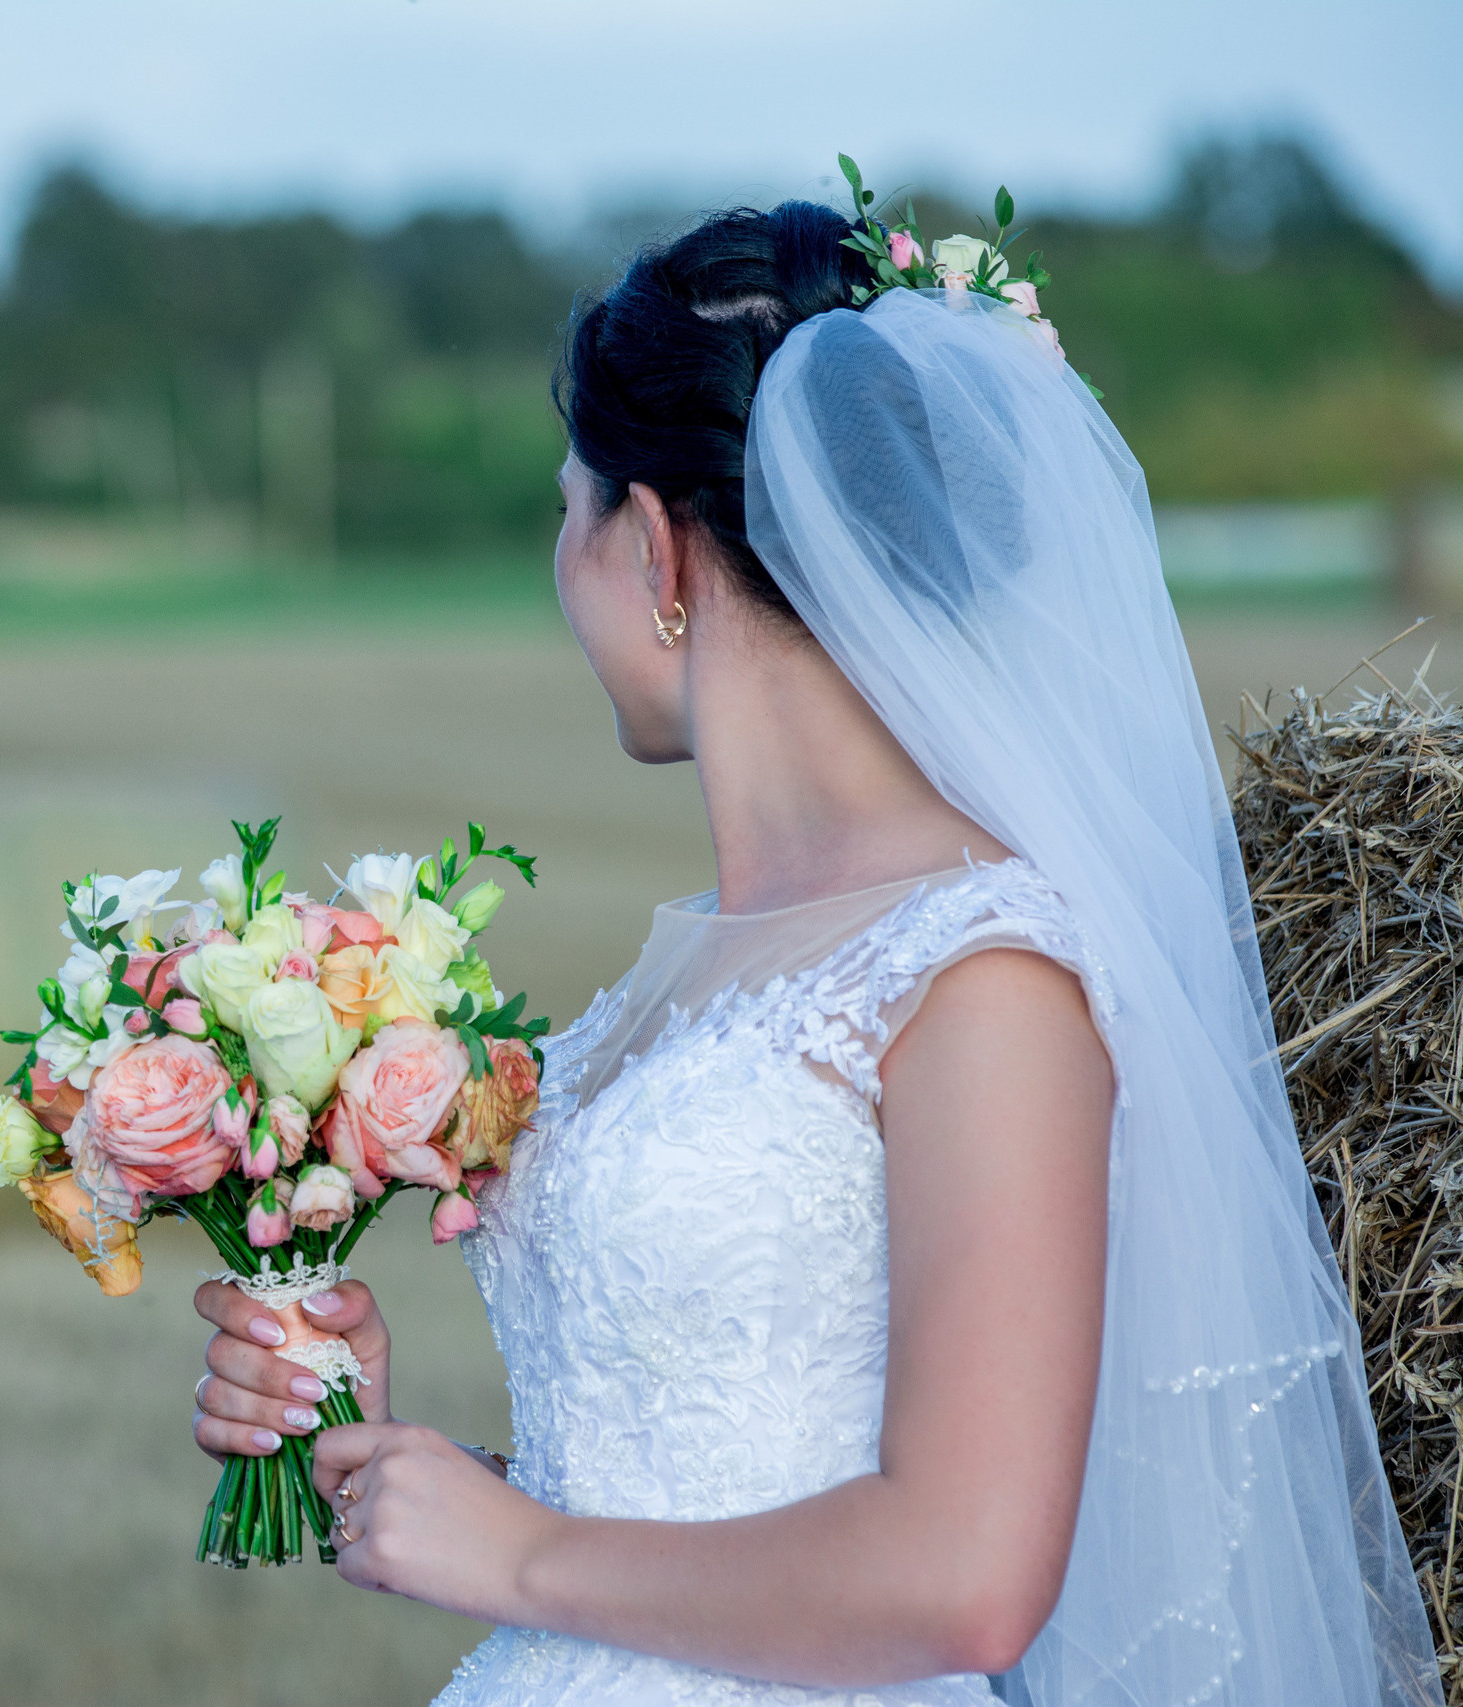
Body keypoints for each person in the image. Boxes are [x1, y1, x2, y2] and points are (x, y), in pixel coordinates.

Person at [188, 199, 1437, 1705]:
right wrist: (406, 1461)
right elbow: (703, 1484)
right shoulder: (690, 958)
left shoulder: (984, 969)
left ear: (654, 545)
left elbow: (965, 1574)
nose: (558, 565)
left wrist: (515, 1551)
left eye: (570, 507)